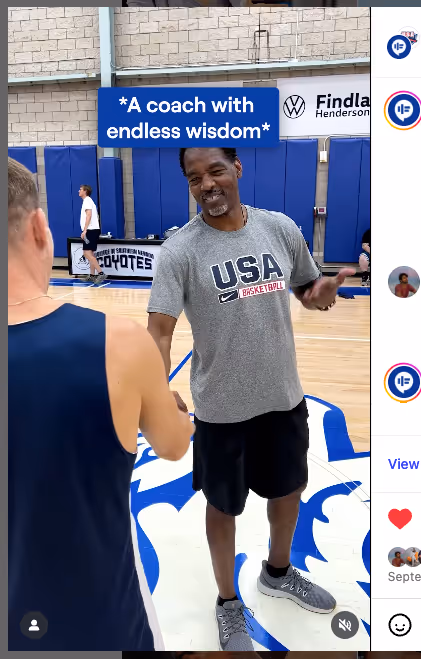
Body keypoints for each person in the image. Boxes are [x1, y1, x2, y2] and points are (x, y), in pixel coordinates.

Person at [147, 147, 354, 652]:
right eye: (195, 178)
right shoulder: (179, 252)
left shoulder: (279, 228)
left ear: (237, 169)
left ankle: (277, 573)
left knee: (288, 493)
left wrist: (321, 294)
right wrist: (155, 387)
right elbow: (160, 330)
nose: (207, 184)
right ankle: (227, 602)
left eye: (216, 171)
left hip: (283, 398)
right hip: (221, 410)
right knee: (223, 507)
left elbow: (307, 291)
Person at [7, 157, 193, 651]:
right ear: (40, 228)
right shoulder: (120, 342)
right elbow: (173, 446)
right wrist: (177, 415)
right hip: (99, 620)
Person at [79, 184, 106, 284]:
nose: (79, 191)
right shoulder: (89, 201)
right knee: (90, 253)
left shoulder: (87, 201)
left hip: (90, 230)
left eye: (80, 189)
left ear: (85, 191)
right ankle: (92, 275)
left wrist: (85, 230)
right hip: (93, 230)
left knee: (86, 253)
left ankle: (101, 273)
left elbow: (89, 215)